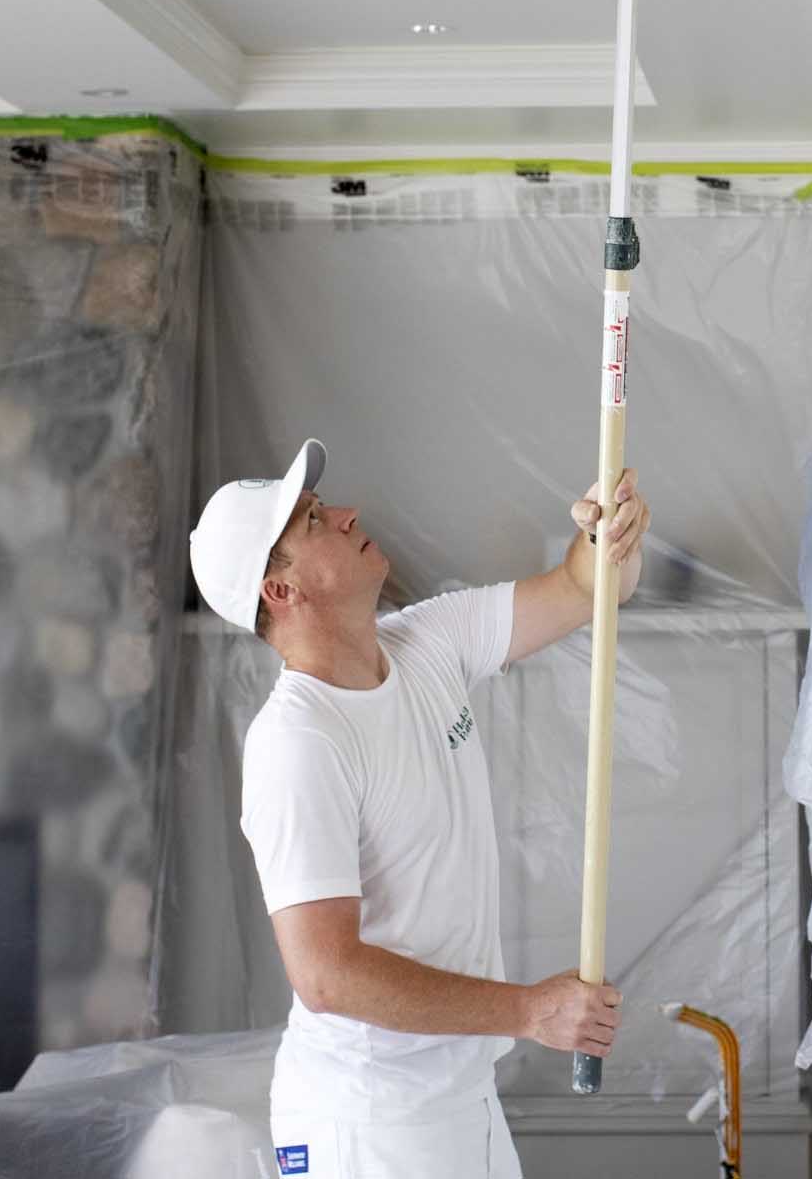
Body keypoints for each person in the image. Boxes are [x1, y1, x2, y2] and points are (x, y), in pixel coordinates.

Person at [189, 437, 653, 1179]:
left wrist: (611, 538)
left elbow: (581, 585)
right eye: (314, 521)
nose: (346, 513)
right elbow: (327, 974)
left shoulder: (424, 644)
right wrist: (531, 1011)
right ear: (282, 591)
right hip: (368, 1122)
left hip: (456, 1096)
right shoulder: (299, 742)